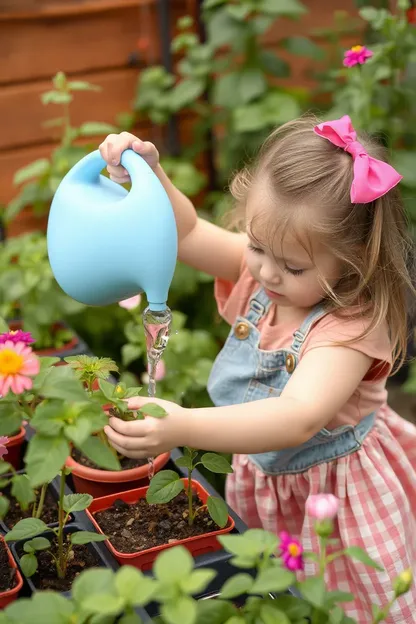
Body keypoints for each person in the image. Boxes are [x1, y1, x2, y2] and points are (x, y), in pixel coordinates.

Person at [99, 114, 416, 621]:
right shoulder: (266, 275)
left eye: (293, 267)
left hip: (334, 495)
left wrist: (181, 425)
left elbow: (297, 418)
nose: (265, 271)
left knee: (343, 603)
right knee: (274, 592)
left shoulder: (347, 328)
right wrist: (150, 175)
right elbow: (186, 233)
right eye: (255, 246)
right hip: (267, 481)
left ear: (354, 261)